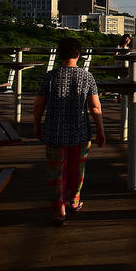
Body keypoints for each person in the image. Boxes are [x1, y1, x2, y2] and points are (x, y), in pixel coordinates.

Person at [33, 37, 106, 227]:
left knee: (56, 171)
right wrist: (100, 131)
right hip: (80, 132)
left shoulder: (50, 76)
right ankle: (74, 201)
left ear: (60, 54)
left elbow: (38, 104)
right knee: (77, 169)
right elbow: (95, 107)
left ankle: (59, 210)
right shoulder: (87, 77)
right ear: (78, 55)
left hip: (54, 132)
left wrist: (37, 124)